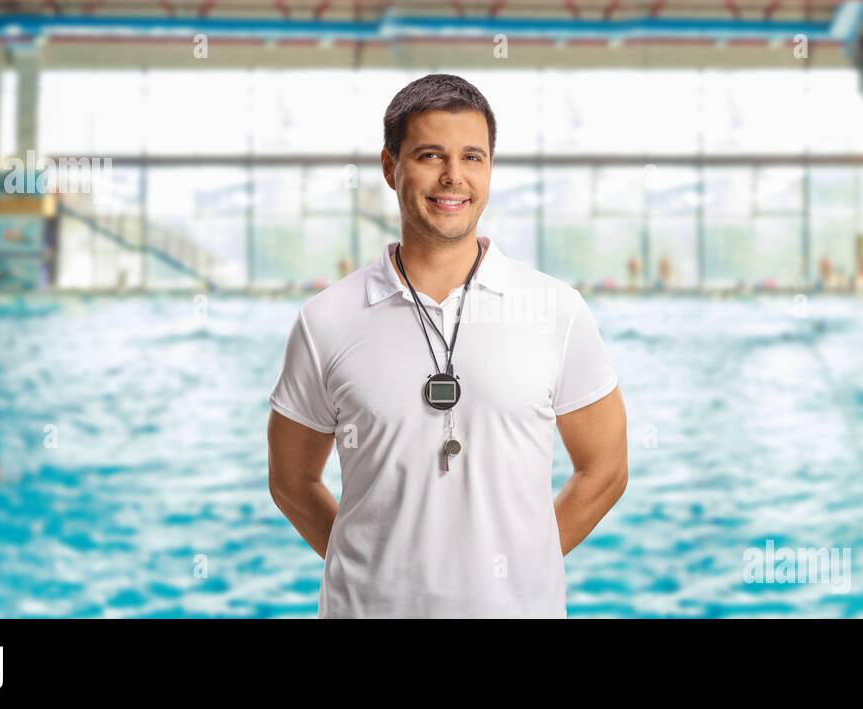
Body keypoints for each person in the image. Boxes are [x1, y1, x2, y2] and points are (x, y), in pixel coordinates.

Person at [266, 74, 628, 619]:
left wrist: (522, 568)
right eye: (430, 155)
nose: (453, 177)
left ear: (489, 170)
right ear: (391, 168)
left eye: (472, 157)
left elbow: (605, 469)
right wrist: (371, 571)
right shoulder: (326, 320)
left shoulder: (556, 309)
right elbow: (291, 480)